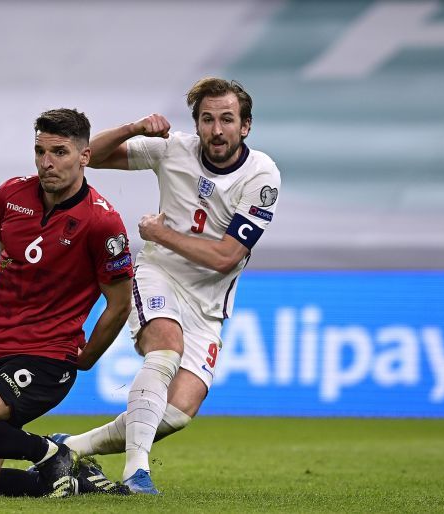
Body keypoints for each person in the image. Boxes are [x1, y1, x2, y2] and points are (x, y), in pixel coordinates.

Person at [50, 78, 282, 494]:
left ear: (245, 126)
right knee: (165, 348)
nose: (216, 129)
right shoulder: (174, 149)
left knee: (178, 411)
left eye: (227, 119)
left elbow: (226, 256)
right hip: (160, 274)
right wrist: (134, 128)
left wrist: (161, 233)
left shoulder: (261, 176)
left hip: (208, 303)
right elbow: (90, 157)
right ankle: (136, 474)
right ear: (196, 125)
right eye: (207, 119)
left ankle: (68, 447)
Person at [0, 108, 134, 498]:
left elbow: (120, 303)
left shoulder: (102, 222)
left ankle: (53, 452)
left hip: (47, 357)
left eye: (59, 152)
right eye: (40, 151)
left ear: (85, 156)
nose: (47, 163)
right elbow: (9, 256)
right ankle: (75, 482)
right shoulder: (9, 195)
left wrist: (88, 356)